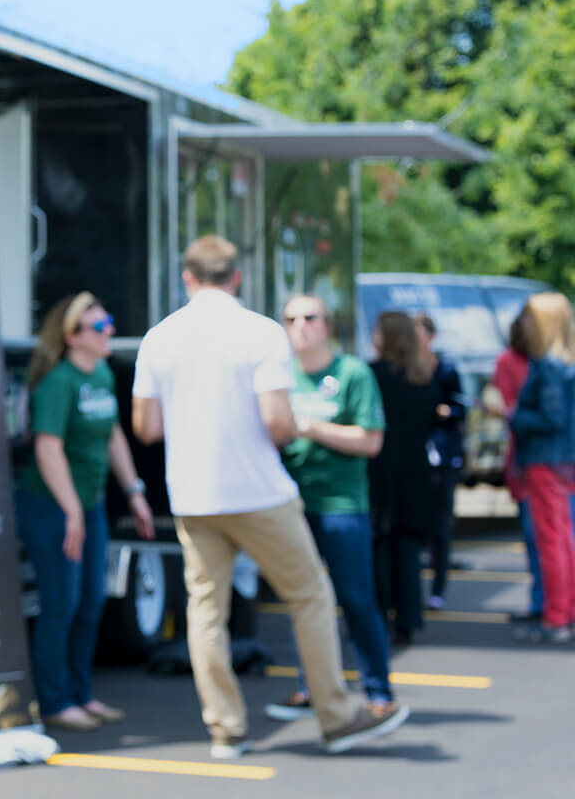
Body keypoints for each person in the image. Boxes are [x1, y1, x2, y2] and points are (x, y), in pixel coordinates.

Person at [131, 236, 407, 759]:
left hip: (192, 493)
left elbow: (146, 426)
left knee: (206, 611)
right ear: (236, 277)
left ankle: (225, 728)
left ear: (188, 278)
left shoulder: (159, 338)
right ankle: (334, 715)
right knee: (310, 594)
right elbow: (278, 423)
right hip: (258, 490)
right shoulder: (260, 332)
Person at [14, 292, 154, 732]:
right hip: (52, 506)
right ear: (73, 337)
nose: (109, 329)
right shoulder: (58, 383)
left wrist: (134, 491)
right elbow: (47, 448)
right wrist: (71, 510)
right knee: (62, 602)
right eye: (98, 325)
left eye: (107, 320)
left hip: (87, 504)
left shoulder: (102, 376)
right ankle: (55, 701)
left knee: (93, 599)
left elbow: (113, 434)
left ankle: (81, 693)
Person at [265, 294, 394, 721]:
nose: (300, 325)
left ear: (328, 326)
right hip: (291, 503)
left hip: (341, 504)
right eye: (291, 318)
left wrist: (315, 429)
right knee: (304, 599)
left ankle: (378, 691)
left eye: (310, 318)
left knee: (356, 598)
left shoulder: (352, 373)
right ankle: (310, 688)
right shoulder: (278, 374)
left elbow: (371, 441)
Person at [367, 311, 439, 646]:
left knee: (380, 545)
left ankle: (380, 616)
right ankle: (408, 620)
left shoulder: (372, 376)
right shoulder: (423, 376)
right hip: (414, 472)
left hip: (379, 470)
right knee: (407, 549)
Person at [507, 292, 575, 643]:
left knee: (552, 541)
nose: (524, 324)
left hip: (547, 462)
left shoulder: (548, 365)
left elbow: (552, 417)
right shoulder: (563, 363)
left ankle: (557, 616)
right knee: (563, 539)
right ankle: (564, 612)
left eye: (529, 318)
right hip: (562, 461)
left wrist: (513, 415)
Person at [414, 313, 467, 609]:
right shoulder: (404, 369)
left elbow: (461, 407)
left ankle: (438, 587)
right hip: (415, 457)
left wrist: (447, 412)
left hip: (443, 456)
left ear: (430, 337)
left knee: (440, 525)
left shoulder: (445, 369)